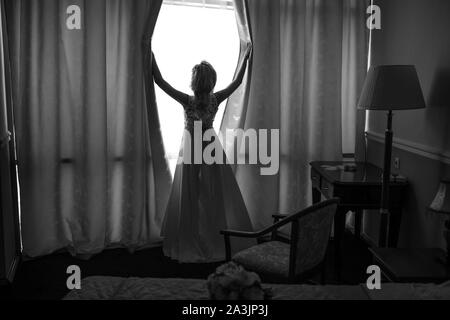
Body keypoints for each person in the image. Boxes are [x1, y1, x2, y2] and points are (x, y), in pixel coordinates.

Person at [151, 46, 254, 263]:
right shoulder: (215, 99)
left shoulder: (187, 100)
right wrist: (245, 60)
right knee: (212, 194)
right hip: (210, 149)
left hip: (191, 150)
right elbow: (236, 83)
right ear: (211, 82)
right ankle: (212, 237)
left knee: (189, 194)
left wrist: (150, 56)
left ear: (194, 82)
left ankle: (192, 236)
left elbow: (160, 82)